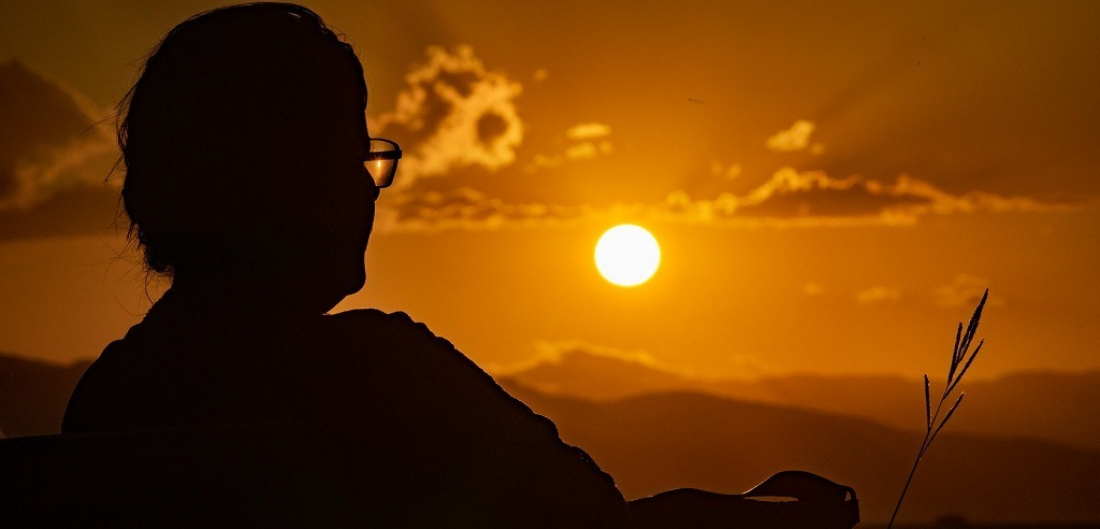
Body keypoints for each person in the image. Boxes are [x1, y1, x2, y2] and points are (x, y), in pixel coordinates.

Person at [62, 3, 635, 526]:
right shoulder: (383, 377)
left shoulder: (110, 399)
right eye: (348, 158)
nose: (369, 191)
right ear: (283, 177)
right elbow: (592, 515)